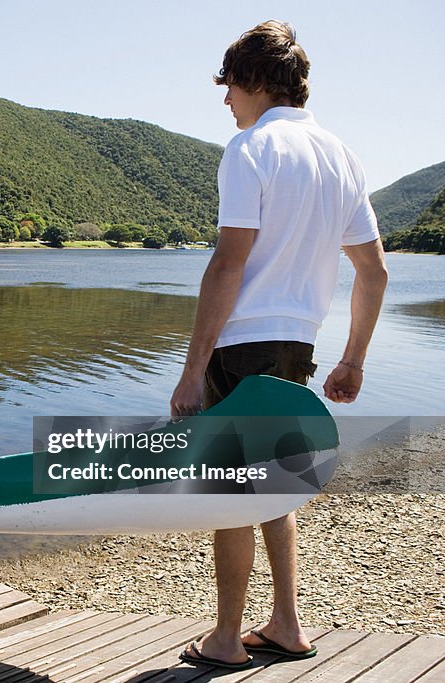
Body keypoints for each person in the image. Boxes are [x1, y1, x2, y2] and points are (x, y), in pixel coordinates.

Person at [170, 20, 388, 669]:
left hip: (240, 347)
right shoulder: (340, 154)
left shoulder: (250, 151)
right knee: (276, 482)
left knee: (231, 491)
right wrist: (353, 358)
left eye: (230, 86)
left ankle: (226, 637)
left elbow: (227, 266)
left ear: (256, 81)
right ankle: (288, 623)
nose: (226, 102)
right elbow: (373, 270)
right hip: (297, 348)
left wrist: (191, 370)